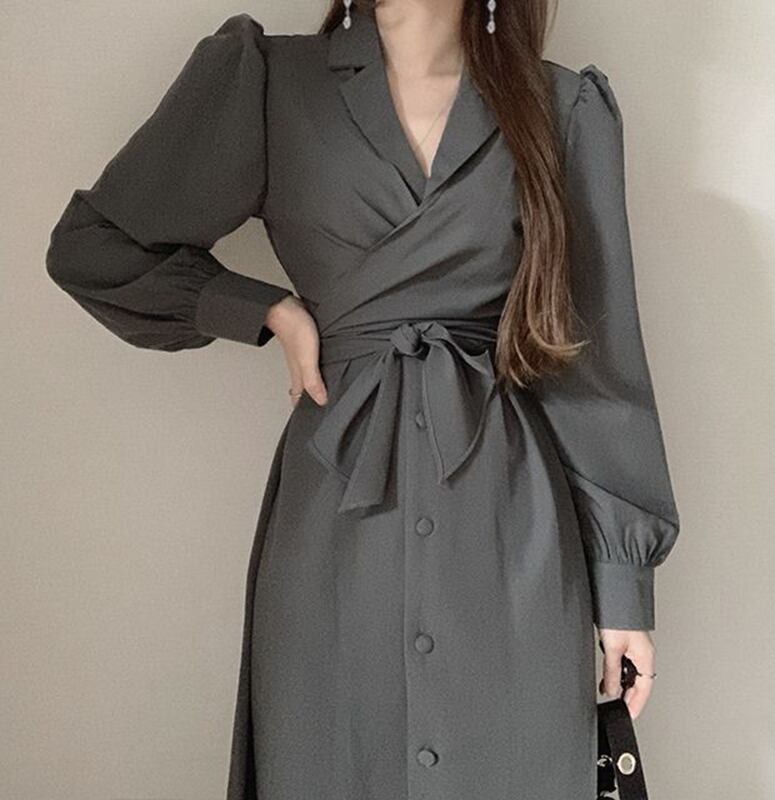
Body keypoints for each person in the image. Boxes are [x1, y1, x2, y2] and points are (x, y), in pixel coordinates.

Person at [45, 1, 681, 798]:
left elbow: (593, 360)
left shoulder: (561, 109)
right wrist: (265, 311)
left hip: (511, 533)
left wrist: (623, 590)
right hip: (336, 527)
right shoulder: (270, 84)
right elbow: (94, 247)